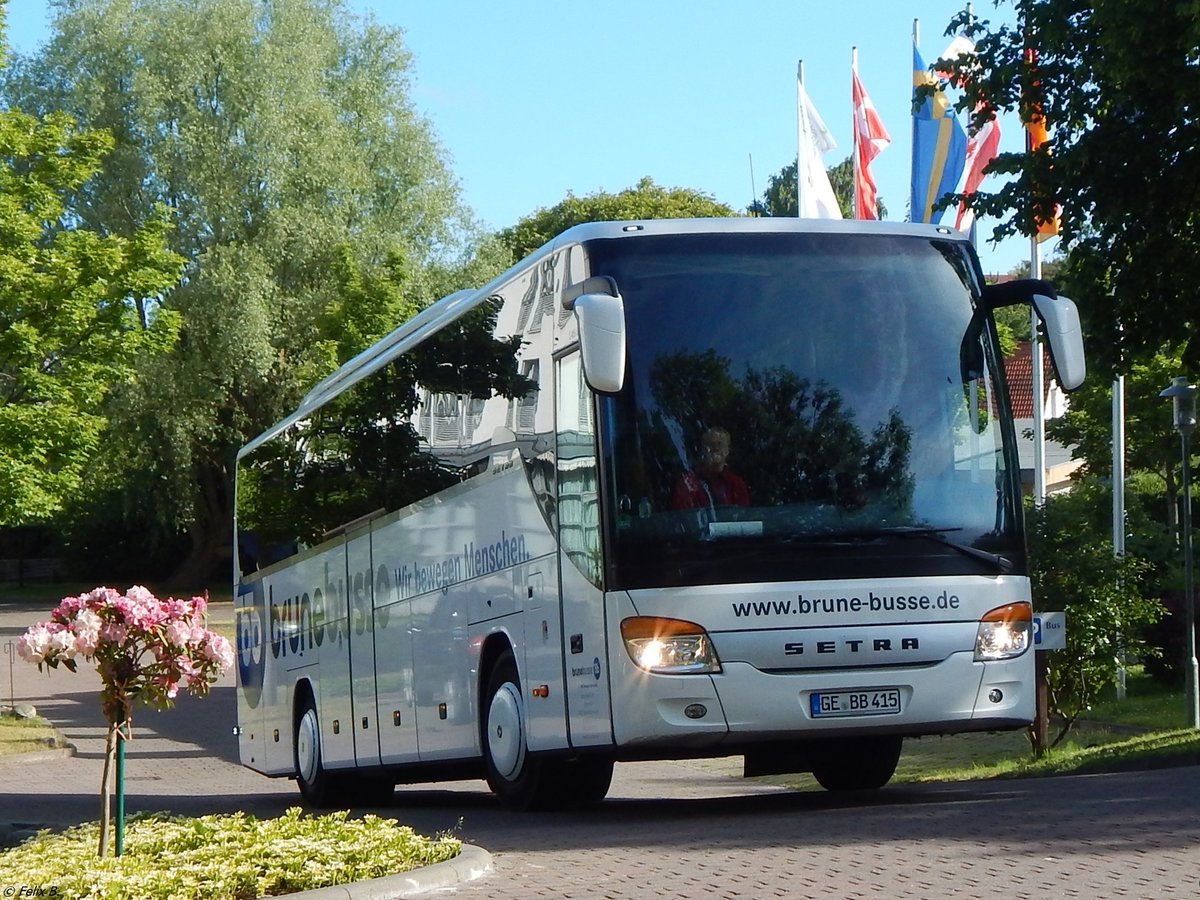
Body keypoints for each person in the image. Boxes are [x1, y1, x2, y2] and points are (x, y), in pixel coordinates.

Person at [671, 426, 749, 510]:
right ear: (703, 450)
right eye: (711, 444)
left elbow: (744, 517)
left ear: (727, 451)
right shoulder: (688, 483)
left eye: (720, 444)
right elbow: (682, 518)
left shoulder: (736, 484)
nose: (716, 448)